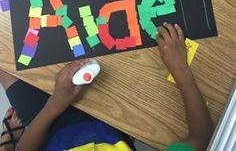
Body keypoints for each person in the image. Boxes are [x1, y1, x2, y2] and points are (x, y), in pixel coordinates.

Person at [0, 23, 214, 151]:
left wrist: (55, 103)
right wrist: (180, 70)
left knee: (5, 55)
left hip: (47, 124)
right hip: (111, 118)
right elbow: (201, 138)